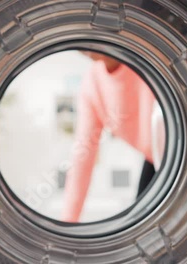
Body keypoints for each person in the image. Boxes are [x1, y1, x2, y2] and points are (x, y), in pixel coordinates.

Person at [61, 52, 157, 223]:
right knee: (140, 222)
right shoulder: (93, 83)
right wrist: (68, 221)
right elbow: (83, 153)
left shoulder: (143, 57)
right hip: (152, 157)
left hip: (182, 149)